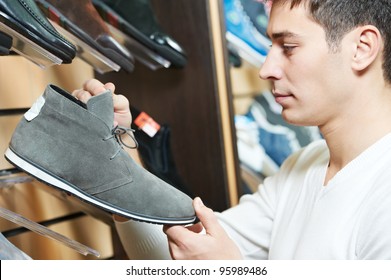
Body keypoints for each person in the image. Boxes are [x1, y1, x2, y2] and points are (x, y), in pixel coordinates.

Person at [76, 0, 391, 260]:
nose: (267, 69)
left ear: (362, 48)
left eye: (290, 46)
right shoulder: (303, 166)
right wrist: (115, 162)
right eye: (271, 46)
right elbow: (173, 258)